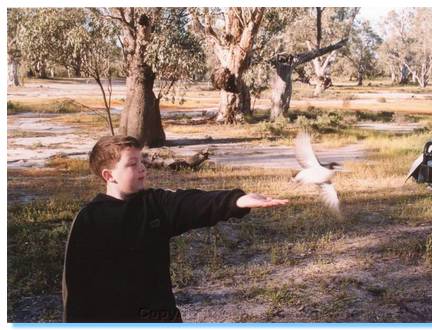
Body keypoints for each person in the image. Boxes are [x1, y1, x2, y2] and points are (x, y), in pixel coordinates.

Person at [62, 135, 288, 322]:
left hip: (159, 314)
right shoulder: (89, 219)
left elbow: (191, 202)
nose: (142, 168)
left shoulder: (154, 204)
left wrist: (236, 201)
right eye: (132, 164)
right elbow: (75, 285)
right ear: (108, 175)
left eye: (141, 161)